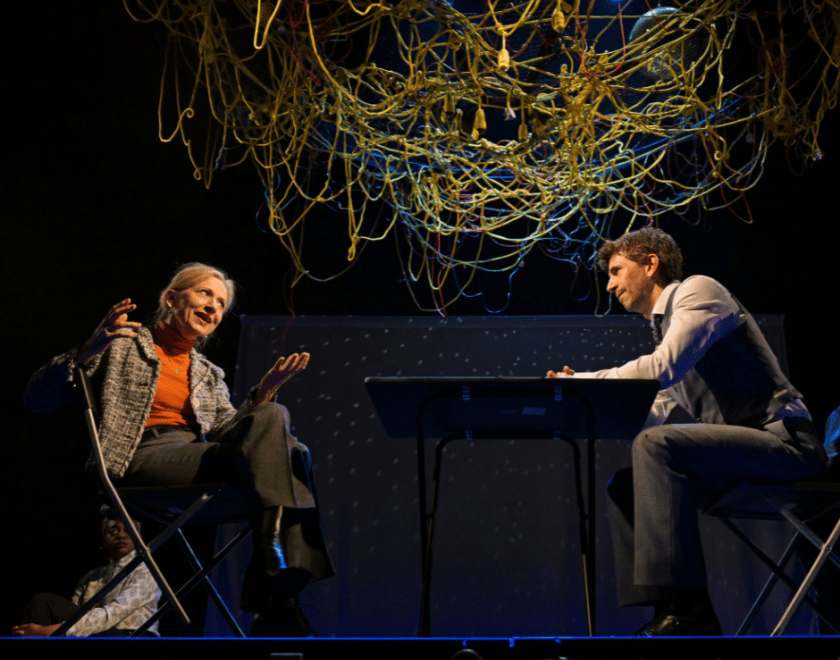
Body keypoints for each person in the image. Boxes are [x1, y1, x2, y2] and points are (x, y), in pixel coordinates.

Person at [24, 262, 334, 637]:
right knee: (288, 448)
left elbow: (226, 431)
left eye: (221, 303)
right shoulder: (121, 345)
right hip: (139, 460)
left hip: (192, 458)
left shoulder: (207, 372)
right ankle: (278, 595)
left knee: (282, 430)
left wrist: (262, 396)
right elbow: (37, 399)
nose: (213, 308)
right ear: (172, 298)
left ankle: (276, 575)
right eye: (205, 294)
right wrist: (89, 349)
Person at [547, 227, 827, 636]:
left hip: (787, 446)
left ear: (650, 263)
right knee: (626, 484)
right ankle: (669, 606)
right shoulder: (670, 331)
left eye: (616, 271)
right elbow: (648, 411)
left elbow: (662, 369)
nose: (609, 285)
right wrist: (580, 405)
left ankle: (692, 612)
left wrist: (589, 379)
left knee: (659, 446)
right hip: (742, 459)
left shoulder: (699, 293)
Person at [12, 513, 160, 637]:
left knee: (45, 601)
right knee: (41, 606)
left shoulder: (144, 571)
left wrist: (46, 631)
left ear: (138, 536)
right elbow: (75, 614)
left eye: (128, 529)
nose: (121, 534)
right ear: (104, 538)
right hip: (98, 635)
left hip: (133, 638)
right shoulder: (91, 577)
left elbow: (112, 615)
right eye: (113, 530)